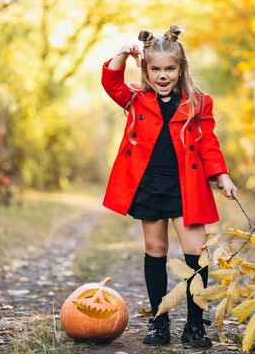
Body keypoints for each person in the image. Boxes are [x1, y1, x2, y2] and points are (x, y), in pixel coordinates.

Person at [101, 24, 238, 348]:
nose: (163, 75)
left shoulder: (198, 102)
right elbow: (111, 83)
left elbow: (208, 144)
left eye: (170, 69)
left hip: (186, 185)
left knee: (196, 253)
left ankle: (195, 325)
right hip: (150, 184)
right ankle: (159, 322)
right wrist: (122, 54)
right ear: (147, 69)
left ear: (180, 68)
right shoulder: (136, 97)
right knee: (156, 251)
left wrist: (222, 176)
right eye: (156, 69)